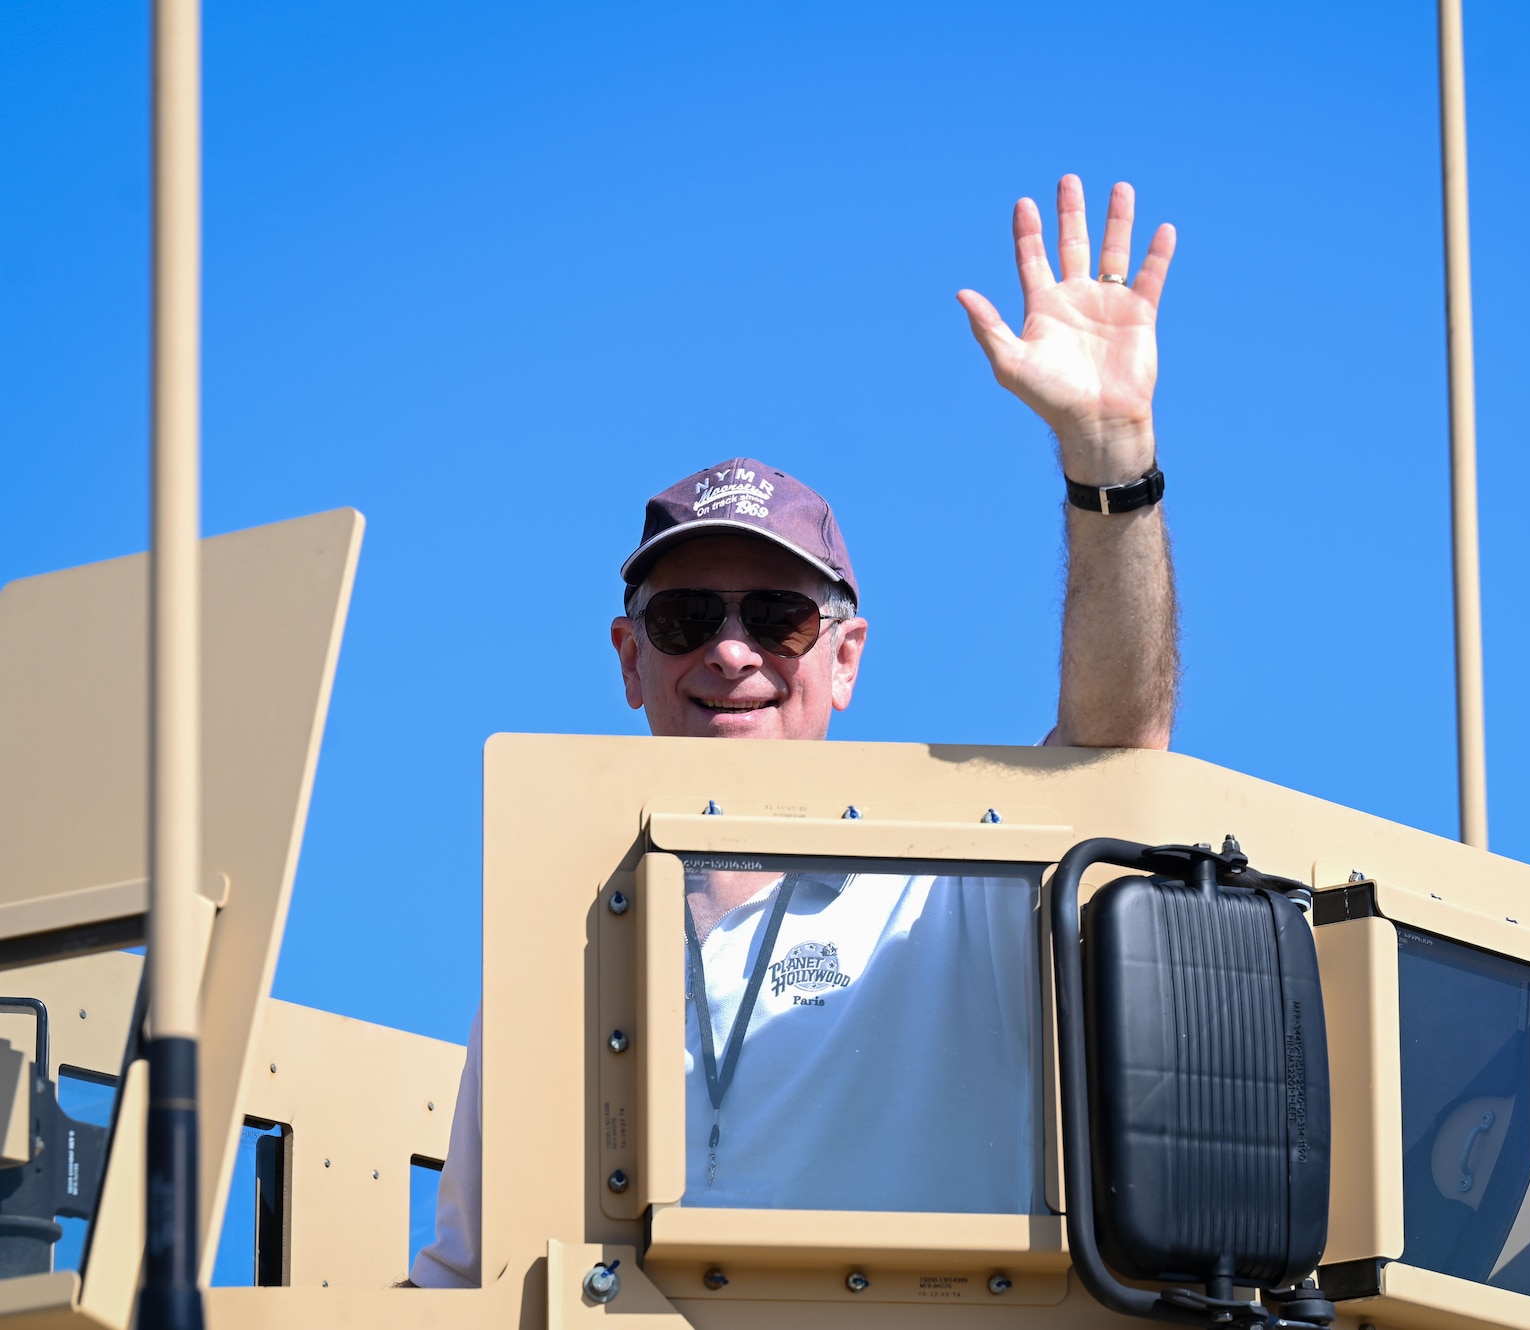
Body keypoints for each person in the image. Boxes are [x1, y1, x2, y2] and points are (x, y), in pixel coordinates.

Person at [412, 173, 1179, 1287]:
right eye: (683, 618)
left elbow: (1116, 754)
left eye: (777, 618)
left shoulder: (945, 903)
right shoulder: (553, 958)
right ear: (631, 661)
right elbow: (462, 1281)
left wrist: (1108, 461)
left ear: (845, 657)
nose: (729, 653)